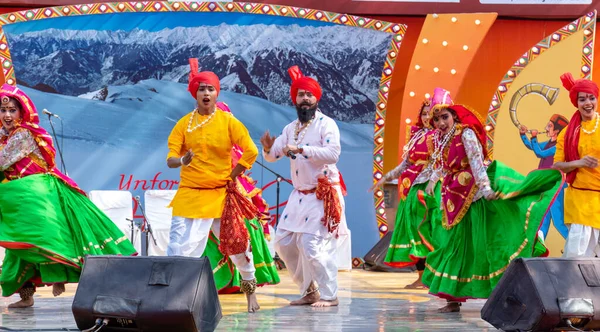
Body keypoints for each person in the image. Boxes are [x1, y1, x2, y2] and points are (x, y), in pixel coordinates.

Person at [420, 91, 563, 312]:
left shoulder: (466, 134)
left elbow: (476, 161)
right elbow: (441, 164)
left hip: (474, 197)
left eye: (444, 117)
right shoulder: (440, 139)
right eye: (436, 119)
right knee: (454, 246)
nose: (440, 122)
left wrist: (486, 188)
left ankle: (505, 295)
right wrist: (432, 181)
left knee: (487, 245)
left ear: (455, 115)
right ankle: (452, 299)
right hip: (452, 197)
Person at [0, 83, 137, 308]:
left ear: (22, 111)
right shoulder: (6, 135)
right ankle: (27, 295)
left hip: (36, 195)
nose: (7, 115)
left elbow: (2, 162)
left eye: (12, 110)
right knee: (18, 248)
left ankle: (65, 278)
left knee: (48, 242)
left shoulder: (22, 134)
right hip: (18, 199)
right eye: (3, 110)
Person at [165, 59, 278, 313]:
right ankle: (176, 299)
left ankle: (250, 294)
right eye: (202, 89)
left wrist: (232, 176)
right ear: (195, 93)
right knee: (178, 248)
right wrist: (182, 160)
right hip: (189, 195)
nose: (206, 93)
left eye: (211, 89)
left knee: (238, 247)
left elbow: (250, 151)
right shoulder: (184, 124)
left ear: (217, 93)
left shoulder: (228, 122)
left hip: (220, 196)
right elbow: (171, 158)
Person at [260, 65, 349, 307]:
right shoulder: (291, 128)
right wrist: (268, 147)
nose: (305, 99)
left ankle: (330, 294)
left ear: (316, 98)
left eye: (309, 95)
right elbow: (272, 156)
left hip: (322, 193)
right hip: (299, 196)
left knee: (313, 245)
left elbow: (333, 153)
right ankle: (309, 290)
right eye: (301, 95)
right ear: (295, 100)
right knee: (283, 241)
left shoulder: (326, 124)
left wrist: (301, 150)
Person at [369, 88, 447, 289]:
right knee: (414, 233)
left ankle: (434, 276)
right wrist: (386, 177)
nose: (427, 116)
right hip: (413, 188)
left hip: (432, 190)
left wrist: (431, 182)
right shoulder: (416, 136)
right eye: (424, 113)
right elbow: (406, 164)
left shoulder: (439, 136)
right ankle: (422, 277)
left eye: (432, 113)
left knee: (429, 231)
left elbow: (440, 162)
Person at [553, 72, 600, 258]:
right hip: (581, 200)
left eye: (591, 98)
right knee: (577, 258)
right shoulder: (568, 133)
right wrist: (579, 163)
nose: (587, 103)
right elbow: (557, 165)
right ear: (576, 103)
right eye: (582, 99)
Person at [519, 114, 569, 239]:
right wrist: (523, 135)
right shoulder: (549, 142)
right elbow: (532, 146)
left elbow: (539, 153)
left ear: (557, 130)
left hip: (554, 186)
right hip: (545, 186)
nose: (546, 128)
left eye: (550, 126)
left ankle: (577, 249)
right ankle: (538, 251)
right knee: (543, 221)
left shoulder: (558, 146)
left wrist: (534, 137)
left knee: (559, 222)